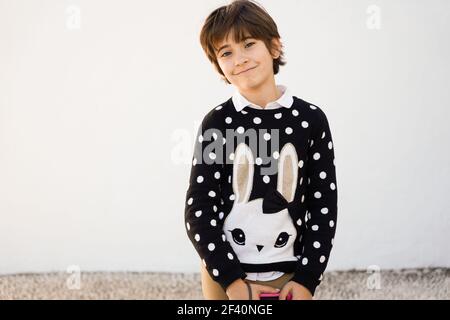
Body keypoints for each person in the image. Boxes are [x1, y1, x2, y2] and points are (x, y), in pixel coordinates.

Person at [184, 0, 338, 300]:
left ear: (274, 47)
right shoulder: (217, 122)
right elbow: (199, 209)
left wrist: (307, 280)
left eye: (249, 44)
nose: (239, 58)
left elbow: (323, 204)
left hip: (288, 271)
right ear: (219, 66)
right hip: (225, 274)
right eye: (226, 52)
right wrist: (232, 282)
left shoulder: (311, 120)